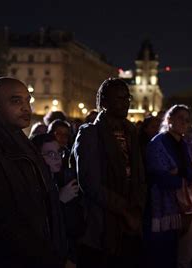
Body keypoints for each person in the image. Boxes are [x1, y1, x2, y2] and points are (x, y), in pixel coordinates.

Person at [0, 77, 65, 267]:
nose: (26, 107)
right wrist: (52, 260)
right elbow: (1, 223)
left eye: (28, 100)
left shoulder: (25, 146)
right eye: (16, 101)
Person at [73, 78, 146, 268]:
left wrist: (137, 208)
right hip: (103, 222)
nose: (125, 102)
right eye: (119, 98)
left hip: (131, 222)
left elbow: (139, 176)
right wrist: (125, 210)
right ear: (104, 102)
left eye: (127, 97)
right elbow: (89, 182)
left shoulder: (131, 132)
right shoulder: (90, 133)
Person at [144, 104, 192, 268]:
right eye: (181, 118)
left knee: (186, 257)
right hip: (166, 207)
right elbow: (160, 177)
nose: (185, 123)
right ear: (169, 119)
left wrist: (180, 172)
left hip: (191, 206)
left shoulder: (190, 143)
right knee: (165, 256)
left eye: (188, 120)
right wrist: (189, 174)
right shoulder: (156, 144)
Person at [32, 133, 84, 268]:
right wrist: (59, 200)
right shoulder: (35, 185)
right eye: (50, 154)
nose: (57, 159)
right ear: (37, 156)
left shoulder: (60, 178)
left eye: (58, 152)